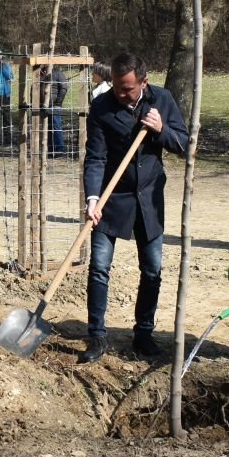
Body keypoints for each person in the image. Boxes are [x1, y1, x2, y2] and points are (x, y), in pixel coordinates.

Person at [78, 53, 190, 363]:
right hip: (111, 197)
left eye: (127, 88)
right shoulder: (102, 107)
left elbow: (183, 144)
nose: (121, 93)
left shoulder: (162, 100)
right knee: (99, 267)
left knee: (152, 269)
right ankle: (97, 336)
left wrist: (161, 129)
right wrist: (92, 199)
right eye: (116, 86)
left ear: (144, 81)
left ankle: (143, 334)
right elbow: (95, 157)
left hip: (149, 198)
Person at [40, 65, 70, 156]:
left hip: (55, 106)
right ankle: (50, 149)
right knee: (47, 128)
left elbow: (63, 88)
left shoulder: (58, 74)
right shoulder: (40, 74)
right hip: (43, 106)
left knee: (56, 127)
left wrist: (58, 103)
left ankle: (59, 149)